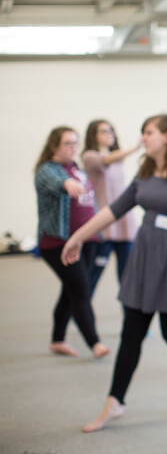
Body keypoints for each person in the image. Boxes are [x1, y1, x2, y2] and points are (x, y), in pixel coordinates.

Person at [62, 114, 167, 433]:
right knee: (132, 332)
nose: (143, 138)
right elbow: (113, 210)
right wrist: (78, 236)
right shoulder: (145, 172)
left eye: (149, 133)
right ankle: (115, 401)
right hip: (145, 255)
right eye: (142, 133)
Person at [34, 126, 110, 359]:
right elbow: (57, 183)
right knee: (80, 290)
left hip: (86, 240)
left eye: (75, 143)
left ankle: (57, 340)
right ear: (54, 145)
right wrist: (68, 185)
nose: (73, 147)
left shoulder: (76, 168)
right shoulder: (47, 170)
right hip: (58, 243)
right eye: (67, 143)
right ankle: (95, 343)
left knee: (70, 291)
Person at [81, 119, 140, 295]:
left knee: (127, 275)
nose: (109, 134)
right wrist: (136, 148)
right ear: (94, 135)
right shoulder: (89, 157)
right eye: (104, 131)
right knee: (94, 273)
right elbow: (106, 159)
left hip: (124, 223)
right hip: (104, 225)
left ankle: (131, 313)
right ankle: (82, 311)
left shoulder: (118, 160)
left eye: (111, 130)